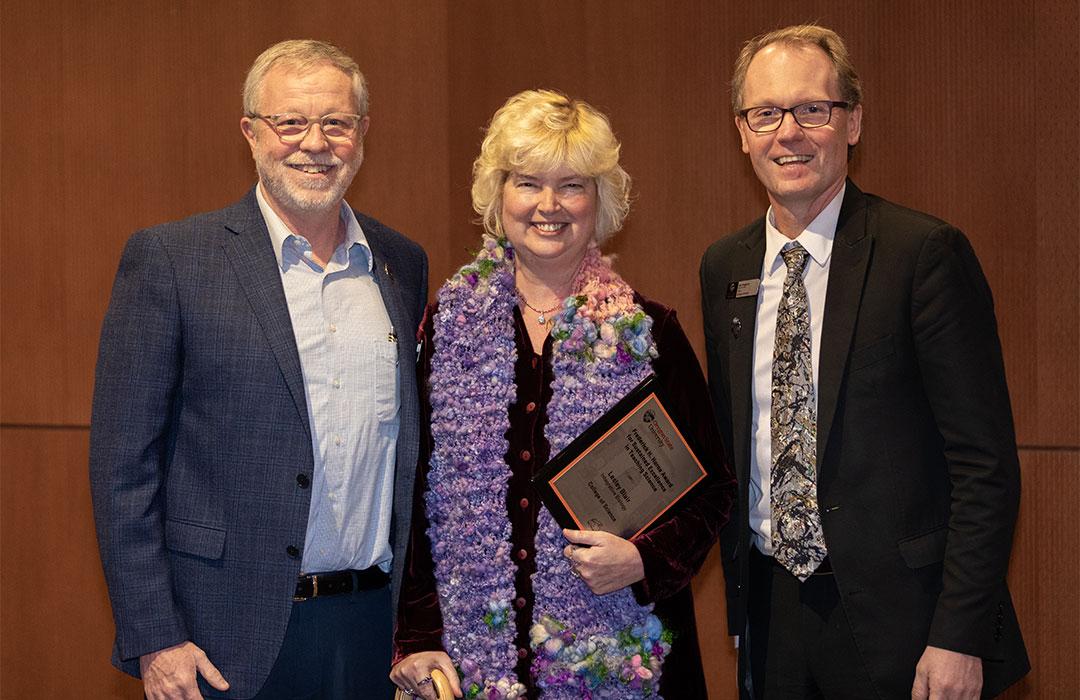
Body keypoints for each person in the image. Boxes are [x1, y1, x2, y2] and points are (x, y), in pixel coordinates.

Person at [89, 39, 427, 699]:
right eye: (290, 122)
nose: (315, 142)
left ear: (362, 135)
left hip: (370, 632)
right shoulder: (172, 260)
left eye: (336, 122)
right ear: (251, 133)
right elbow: (122, 468)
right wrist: (155, 635)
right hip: (220, 641)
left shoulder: (401, 263)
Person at [700, 24, 1030, 700]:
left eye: (812, 110)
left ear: (851, 122)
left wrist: (958, 636)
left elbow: (984, 466)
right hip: (772, 620)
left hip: (906, 628)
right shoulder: (725, 267)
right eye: (765, 113)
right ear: (742, 132)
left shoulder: (923, 255)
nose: (788, 132)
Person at [389, 89, 735, 699]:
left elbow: (713, 489)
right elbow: (416, 492)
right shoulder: (448, 324)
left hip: (621, 653)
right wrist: (417, 634)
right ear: (499, 195)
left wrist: (645, 562)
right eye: (527, 182)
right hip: (472, 659)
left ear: (600, 200)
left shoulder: (648, 333)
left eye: (572, 185)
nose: (548, 206)